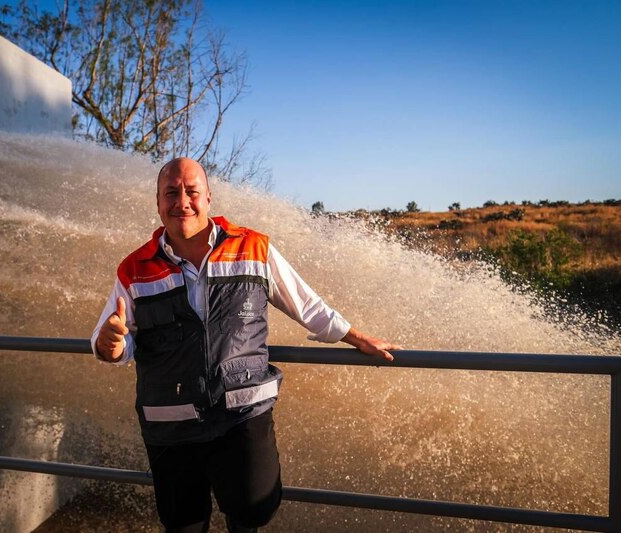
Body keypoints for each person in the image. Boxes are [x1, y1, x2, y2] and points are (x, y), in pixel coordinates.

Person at [92, 158, 400, 533]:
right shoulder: (134, 268)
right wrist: (111, 345)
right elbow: (112, 337)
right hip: (170, 424)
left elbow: (306, 304)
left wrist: (355, 336)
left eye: (191, 192)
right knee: (183, 523)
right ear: (158, 203)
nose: (182, 202)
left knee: (253, 509)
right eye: (171, 193)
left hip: (241, 413)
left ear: (208, 198)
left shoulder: (253, 247)